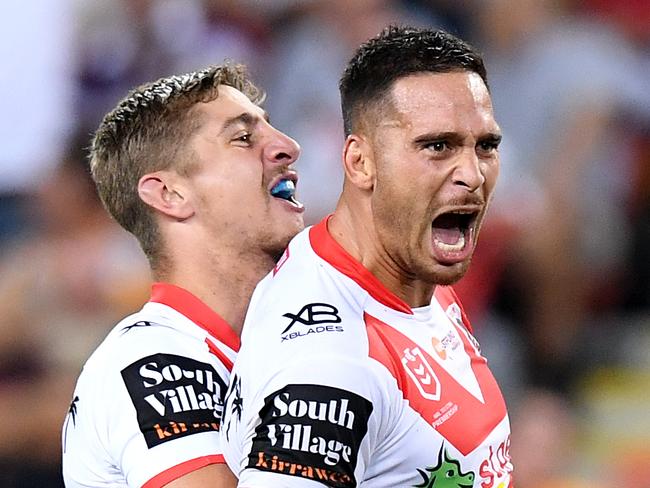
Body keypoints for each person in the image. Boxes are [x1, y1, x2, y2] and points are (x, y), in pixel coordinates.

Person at [221, 26, 513, 487]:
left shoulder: (416, 270)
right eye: (438, 146)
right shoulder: (330, 358)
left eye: (486, 146)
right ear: (360, 162)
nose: (472, 175)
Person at [62, 63, 305, 487]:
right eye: (244, 138)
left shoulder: (310, 340)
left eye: (272, 129)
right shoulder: (152, 363)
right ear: (170, 194)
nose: (288, 147)